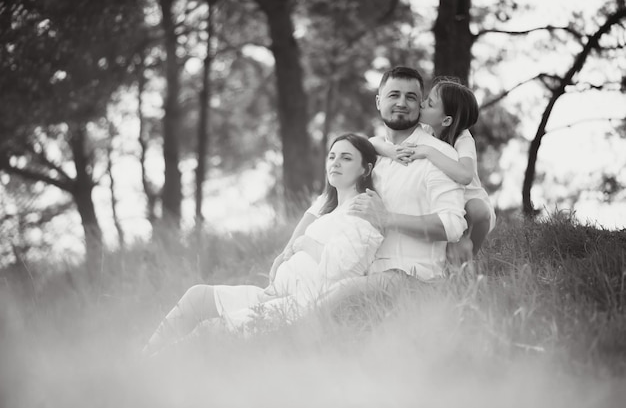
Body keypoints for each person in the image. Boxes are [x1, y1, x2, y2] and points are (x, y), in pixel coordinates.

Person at [143, 134, 383, 356]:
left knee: (209, 331)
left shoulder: (363, 212)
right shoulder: (331, 210)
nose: (335, 163)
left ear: (366, 169)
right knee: (198, 297)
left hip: (299, 307)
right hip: (274, 296)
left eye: (346, 157)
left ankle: (152, 371)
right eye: (332, 156)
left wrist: (305, 244)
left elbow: (341, 268)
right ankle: (141, 360)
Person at [271, 66, 467, 285]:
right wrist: (288, 250)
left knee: (333, 298)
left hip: (413, 274)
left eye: (411, 97)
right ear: (378, 102)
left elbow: (452, 226)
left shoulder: (439, 155)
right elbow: (322, 204)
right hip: (358, 274)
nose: (401, 103)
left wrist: (388, 219)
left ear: (420, 105)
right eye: (393, 95)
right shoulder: (367, 151)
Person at [369, 77, 496, 262]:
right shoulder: (427, 130)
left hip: (472, 208)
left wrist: (428, 152)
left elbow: (465, 175)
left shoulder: (463, 138)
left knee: (477, 210)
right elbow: (372, 142)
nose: (421, 104)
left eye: (429, 104)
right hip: (451, 203)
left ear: (446, 120)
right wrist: (391, 151)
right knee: (446, 244)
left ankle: (471, 256)